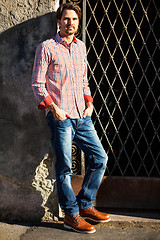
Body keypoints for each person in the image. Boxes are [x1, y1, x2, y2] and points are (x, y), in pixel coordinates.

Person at [32, 2, 110, 234]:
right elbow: (37, 83)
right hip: (61, 116)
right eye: (66, 19)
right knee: (65, 167)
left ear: (78, 22)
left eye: (74, 19)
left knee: (100, 158)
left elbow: (83, 80)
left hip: (82, 115)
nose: (70, 23)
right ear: (59, 21)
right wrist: (53, 108)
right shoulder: (47, 47)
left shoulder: (81, 47)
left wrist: (89, 102)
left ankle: (85, 204)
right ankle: (71, 214)